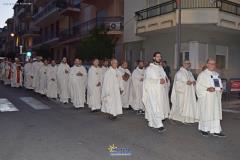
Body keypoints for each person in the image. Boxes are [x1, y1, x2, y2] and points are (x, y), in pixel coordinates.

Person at [196, 58, 225, 137]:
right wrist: (207, 89)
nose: (212, 65)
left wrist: (220, 88)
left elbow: (218, 85)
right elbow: (198, 87)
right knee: (206, 113)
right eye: (211, 63)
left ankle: (216, 130)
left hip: (215, 98)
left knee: (215, 113)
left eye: (214, 64)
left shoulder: (216, 74)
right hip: (206, 98)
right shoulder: (202, 74)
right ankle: (204, 129)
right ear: (207, 64)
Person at [142, 52, 170, 132]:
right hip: (153, 92)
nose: (159, 58)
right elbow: (147, 81)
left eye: (160, 57)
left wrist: (166, 79)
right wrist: (158, 81)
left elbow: (165, 77)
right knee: (155, 107)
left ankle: (153, 122)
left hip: (161, 91)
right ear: (154, 58)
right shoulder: (149, 69)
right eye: (157, 56)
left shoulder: (160, 68)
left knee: (158, 107)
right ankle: (159, 125)